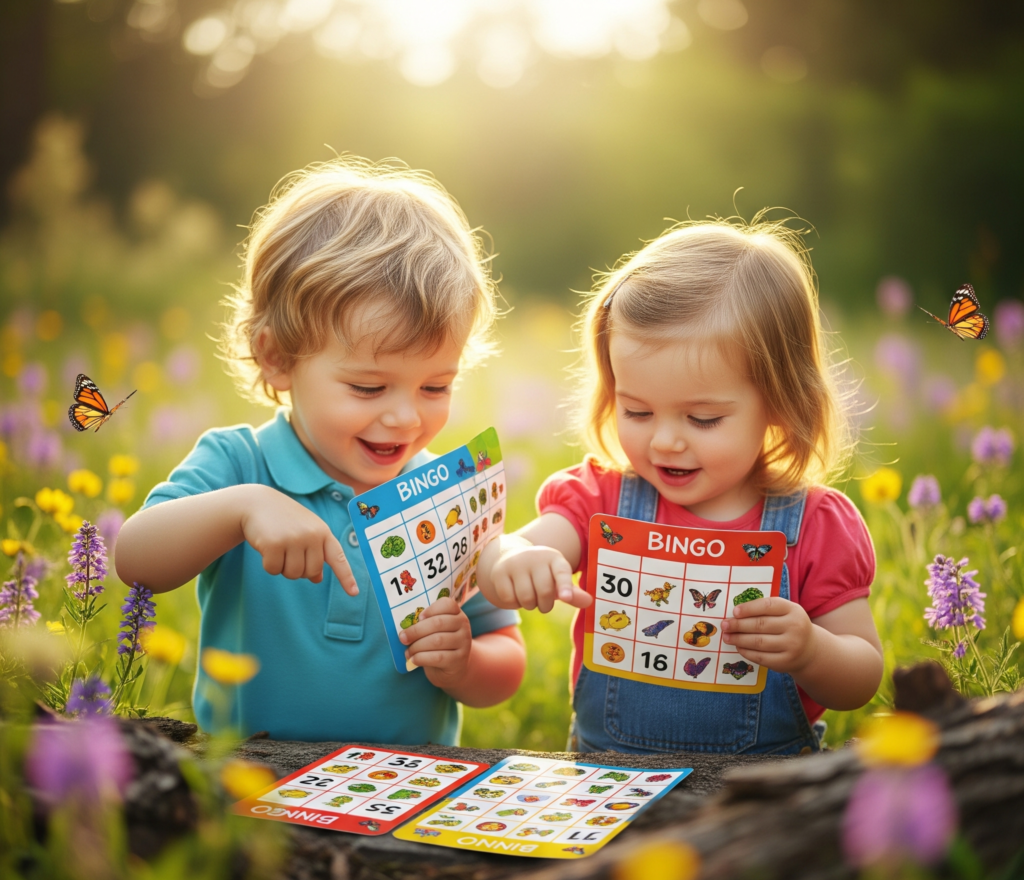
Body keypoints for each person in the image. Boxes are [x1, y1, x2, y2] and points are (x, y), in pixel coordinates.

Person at [116, 158, 526, 743]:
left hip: (401, 790)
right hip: (248, 777)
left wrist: (464, 664)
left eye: (436, 386)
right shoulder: (240, 466)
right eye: (367, 387)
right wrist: (243, 508)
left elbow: (504, 660)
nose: (406, 416)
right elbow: (135, 560)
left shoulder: (446, 496)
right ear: (277, 358)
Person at [476, 217, 882, 755]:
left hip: (763, 794)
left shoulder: (813, 524)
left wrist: (810, 650)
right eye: (637, 410)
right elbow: (508, 551)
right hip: (608, 780)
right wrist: (511, 560)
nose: (665, 441)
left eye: (703, 419)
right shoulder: (603, 498)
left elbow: (863, 676)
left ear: (781, 403)